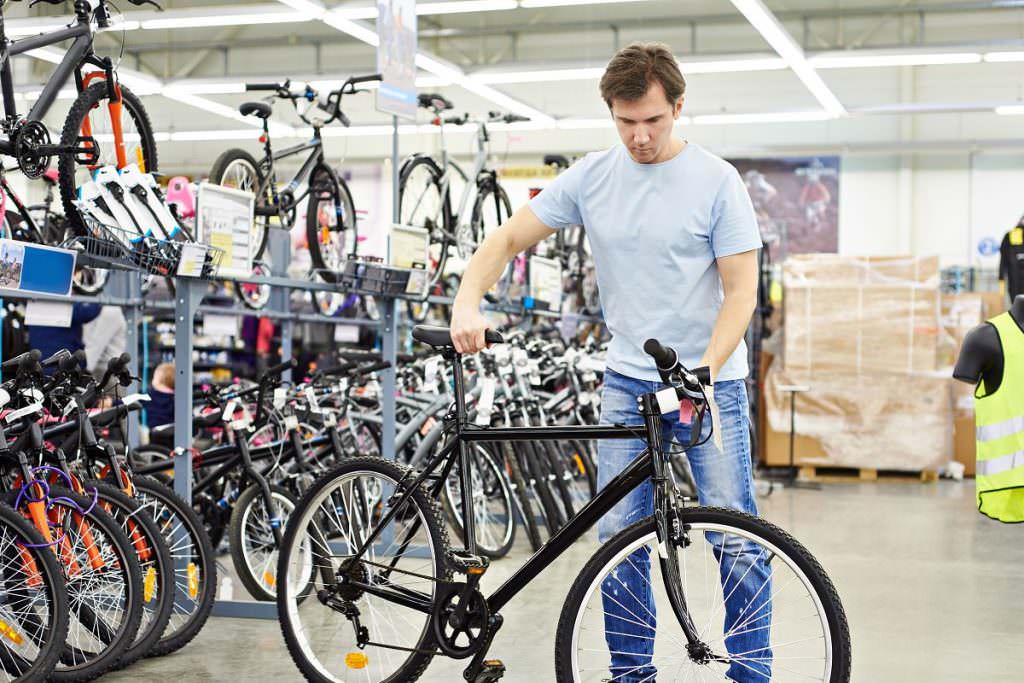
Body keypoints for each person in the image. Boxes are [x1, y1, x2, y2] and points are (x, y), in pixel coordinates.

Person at [449, 42, 770, 681]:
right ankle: (630, 674)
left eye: (653, 120)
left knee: (736, 538)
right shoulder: (594, 176)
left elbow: (742, 292)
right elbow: (509, 237)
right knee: (617, 539)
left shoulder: (716, 180)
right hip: (628, 379)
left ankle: (752, 672)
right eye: (626, 122)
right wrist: (467, 299)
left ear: (678, 107)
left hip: (709, 382)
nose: (640, 136)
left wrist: (706, 367)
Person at [26, 302, 101, 367]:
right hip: (61, 361)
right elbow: (87, 312)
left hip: (41, 359)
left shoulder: (36, 298)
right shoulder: (60, 298)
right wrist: (97, 295)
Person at [83, 306, 127, 377]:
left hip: (107, 372)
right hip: (92, 368)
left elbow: (96, 346)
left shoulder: (111, 311)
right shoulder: (84, 307)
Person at [147, 362, 175, 428]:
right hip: (172, 434)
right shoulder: (176, 399)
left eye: (154, 377)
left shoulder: (150, 396)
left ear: (158, 380)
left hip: (153, 433)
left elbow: (126, 402)